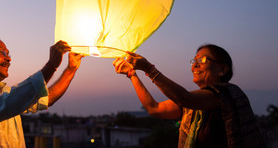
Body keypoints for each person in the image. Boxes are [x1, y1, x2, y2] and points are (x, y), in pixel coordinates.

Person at [113, 44, 265, 148]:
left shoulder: (228, 94)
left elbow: (184, 98)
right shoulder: (192, 106)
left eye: (202, 60)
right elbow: (154, 108)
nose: (194, 65)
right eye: (194, 61)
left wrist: (149, 68)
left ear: (222, 69)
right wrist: (132, 74)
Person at [0, 36, 83, 147]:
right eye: (1, 52)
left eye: (8, 54)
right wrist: (51, 66)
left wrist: (71, 69)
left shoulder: (5, 94)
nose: (8, 59)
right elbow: (9, 103)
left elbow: (47, 98)